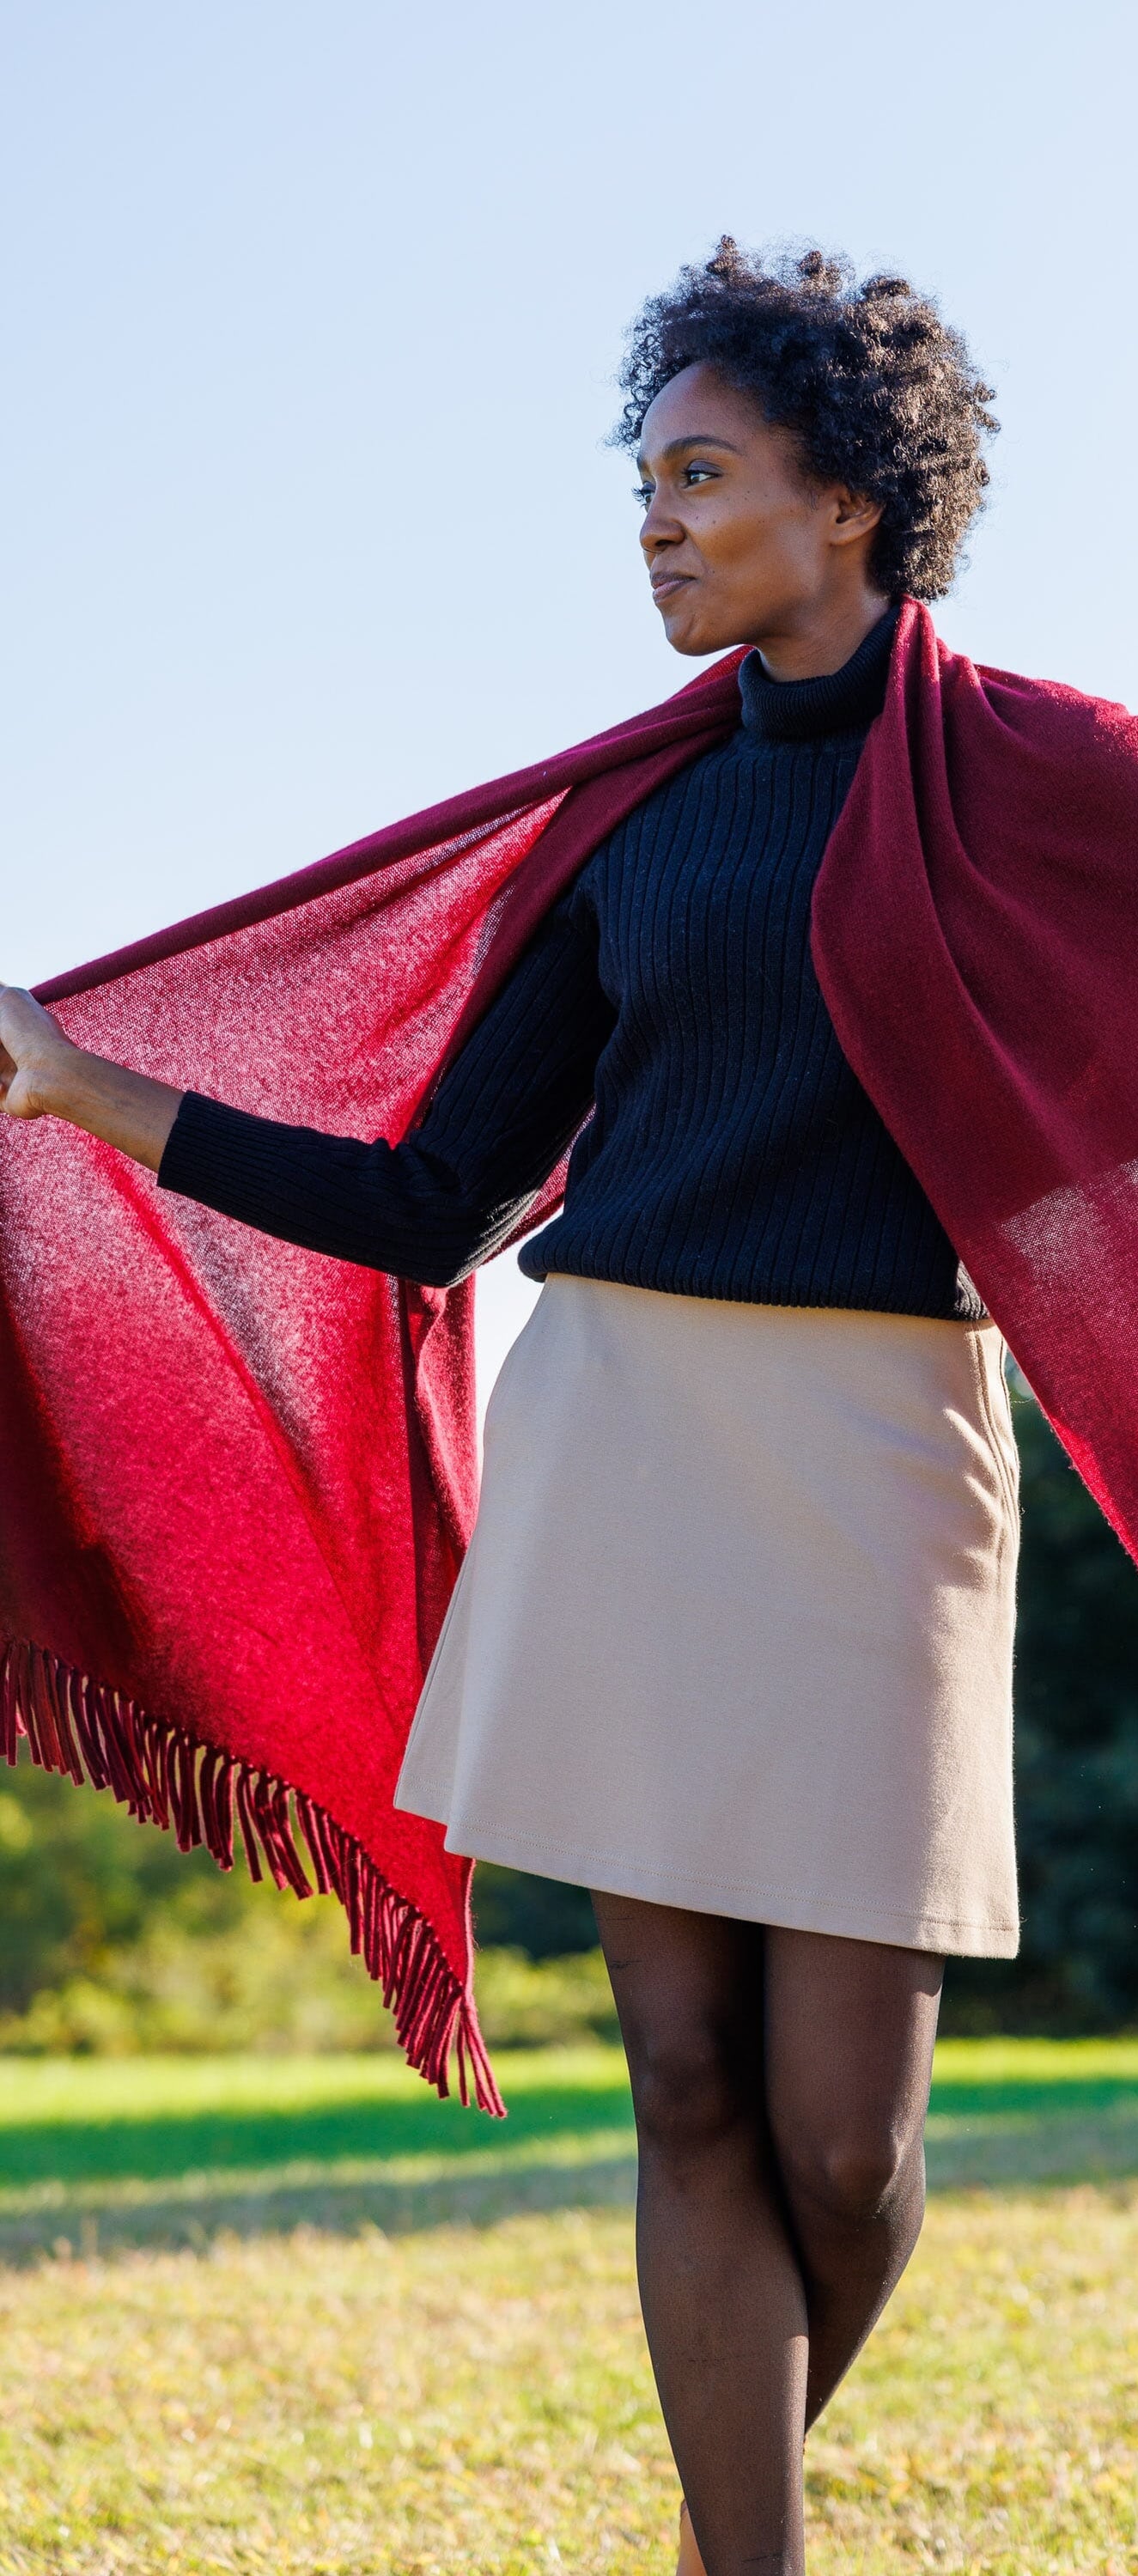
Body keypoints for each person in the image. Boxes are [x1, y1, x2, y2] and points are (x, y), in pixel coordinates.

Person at [0, 241, 1013, 2576]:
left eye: (701, 475)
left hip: (892, 1463)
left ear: (852, 501)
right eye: (639, 483)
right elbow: (437, 1197)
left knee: (850, 2145)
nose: (653, 524)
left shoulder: (1021, 798)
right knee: (682, 2082)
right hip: (631, 1436)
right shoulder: (632, 836)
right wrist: (85, 1088)